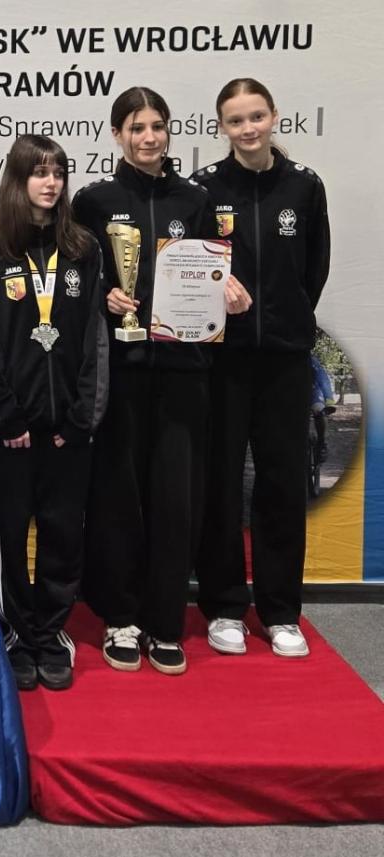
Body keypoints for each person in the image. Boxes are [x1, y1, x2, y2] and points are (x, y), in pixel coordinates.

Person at [72, 86, 244, 676]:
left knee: (176, 499)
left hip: (183, 371)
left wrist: (228, 292)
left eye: (157, 126)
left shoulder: (196, 198)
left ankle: (165, 621)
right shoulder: (94, 200)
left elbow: (215, 270)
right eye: (136, 127)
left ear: (169, 130)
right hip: (120, 372)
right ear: (117, 134)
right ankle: (119, 616)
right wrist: (104, 296)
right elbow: (76, 278)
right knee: (117, 496)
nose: (148, 137)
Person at [193, 78, 330, 659]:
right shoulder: (204, 188)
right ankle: (225, 605)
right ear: (221, 127)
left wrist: (285, 320)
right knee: (221, 482)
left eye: (256, 116)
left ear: (274, 116)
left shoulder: (304, 186)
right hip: (223, 361)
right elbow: (190, 271)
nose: (247, 128)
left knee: (281, 483)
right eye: (235, 120)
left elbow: (314, 270)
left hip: (284, 360)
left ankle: (280, 611)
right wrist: (218, 289)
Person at [0, 134, 108, 691]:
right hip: (11, 428)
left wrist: (80, 419)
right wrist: (5, 417)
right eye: (39, 172)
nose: (51, 183)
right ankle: (17, 632)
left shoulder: (84, 249)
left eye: (59, 172)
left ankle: (50, 633)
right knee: (10, 532)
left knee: (62, 532)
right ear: (18, 180)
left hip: (66, 426)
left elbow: (95, 340)